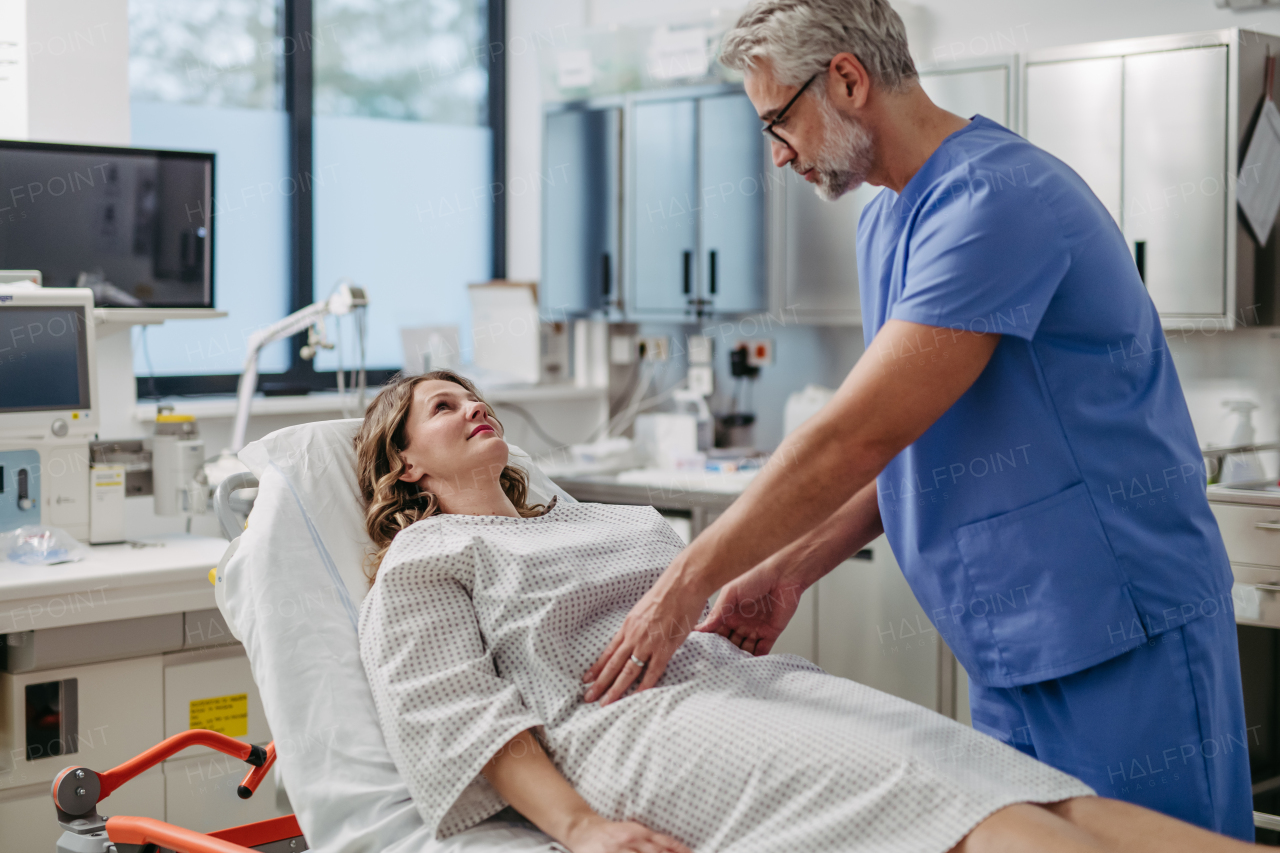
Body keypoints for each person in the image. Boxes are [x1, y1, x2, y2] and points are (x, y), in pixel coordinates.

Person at [583, 0, 1253, 841]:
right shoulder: (888, 219)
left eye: (777, 121)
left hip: (1116, 623)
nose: (778, 154)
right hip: (1006, 639)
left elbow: (851, 434)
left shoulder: (997, 200)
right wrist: (789, 568)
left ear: (849, 80)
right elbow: (904, 440)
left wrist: (681, 588)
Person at [352, 370, 1254, 853]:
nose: (472, 403)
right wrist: (583, 828)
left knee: (1017, 782)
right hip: (635, 726)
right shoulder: (426, 559)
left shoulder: (592, 518)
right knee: (945, 810)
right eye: (440, 406)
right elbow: (461, 720)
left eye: (469, 391)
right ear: (405, 470)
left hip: (747, 684)